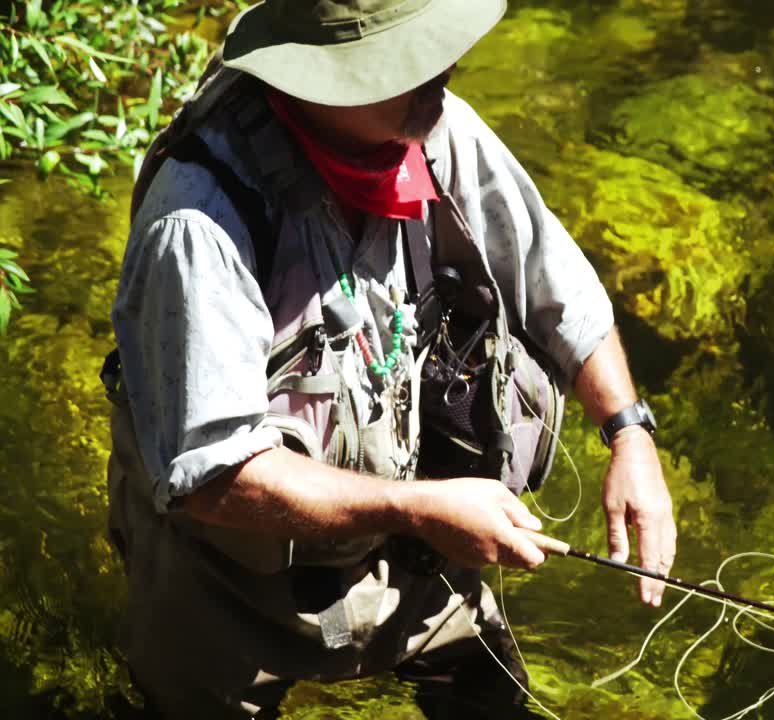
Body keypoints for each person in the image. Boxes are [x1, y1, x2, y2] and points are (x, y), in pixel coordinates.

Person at [103, 0, 677, 717]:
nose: (446, 69)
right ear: (324, 79)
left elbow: (561, 296)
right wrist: (421, 509)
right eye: (408, 60)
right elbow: (214, 478)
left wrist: (628, 433)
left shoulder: (432, 126)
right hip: (226, 593)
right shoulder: (197, 226)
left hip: (411, 555)